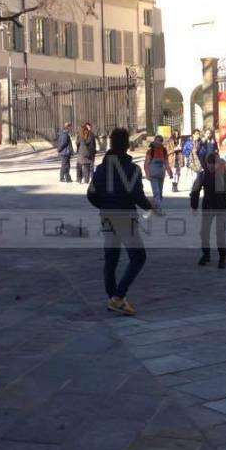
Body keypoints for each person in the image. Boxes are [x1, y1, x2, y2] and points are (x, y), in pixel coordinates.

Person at [87, 127, 152, 315]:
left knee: (111, 258)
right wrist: (150, 206)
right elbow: (137, 195)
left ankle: (112, 297)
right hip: (125, 218)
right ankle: (118, 297)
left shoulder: (101, 169)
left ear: (111, 144)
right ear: (127, 145)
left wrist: (104, 205)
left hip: (107, 217)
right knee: (138, 257)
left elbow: (91, 194)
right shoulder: (132, 169)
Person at [190, 152, 226, 269]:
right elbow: (195, 190)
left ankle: (222, 257)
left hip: (221, 207)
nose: (211, 167)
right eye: (209, 164)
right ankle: (206, 254)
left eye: (213, 164)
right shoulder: (203, 175)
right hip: (208, 207)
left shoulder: (223, 175)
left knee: (220, 233)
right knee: (204, 232)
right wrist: (194, 206)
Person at [144, 134, 173, 213]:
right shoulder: (150, 151)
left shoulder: (164, 151)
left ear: (161, 142)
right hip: (153, 175)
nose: (158, 142)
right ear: (154, 141)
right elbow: (146, 164)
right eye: (156, 140)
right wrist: (147, 174)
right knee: (156, 192)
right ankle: (159, 210)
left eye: (159, 141)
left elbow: (166, 163)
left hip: (161, 175)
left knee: (159, 193)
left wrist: (170, 172)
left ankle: (153, 206)